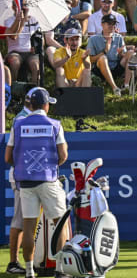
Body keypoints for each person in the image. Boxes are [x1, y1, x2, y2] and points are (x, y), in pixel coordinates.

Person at [4, 87, 69, 278]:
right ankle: (60, 269)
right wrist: (48, 166)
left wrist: (27, 167)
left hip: (25, 182)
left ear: (30, 105)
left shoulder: (18, 125)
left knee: (28, 227)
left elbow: (8, 157)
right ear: (46, 105)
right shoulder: (55, 124)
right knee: (60, 224)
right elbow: (63, 155)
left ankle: (30, 271)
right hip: (48, 180)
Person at [87, 13, 133, 95]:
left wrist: (121, 54)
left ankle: (126, 85)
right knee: (103, 58)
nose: (112, 26)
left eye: (114, 24)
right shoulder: (93, 39)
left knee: (130, 53)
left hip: (116, 68)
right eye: (109, 23)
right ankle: (115, 88)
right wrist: (104, 51)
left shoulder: (118, 37)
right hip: (100, 70)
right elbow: (90, 60)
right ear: (102, 24)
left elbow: (123, 56)